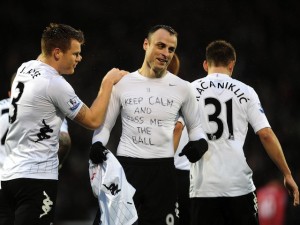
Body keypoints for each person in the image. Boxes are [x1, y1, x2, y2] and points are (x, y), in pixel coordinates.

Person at [0, 23, 127, 225]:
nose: (79, 58)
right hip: (36, 179)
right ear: (57, 53)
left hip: (8, 178)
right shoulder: (55, 84)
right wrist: (107, 83)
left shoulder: (25, 68)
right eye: (75, 53)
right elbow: (93, 120)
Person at [91, 24, 208, 225]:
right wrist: (97, 144)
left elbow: (196, 128)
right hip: (126, 170)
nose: (165, 53)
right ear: (146, 44)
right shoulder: (123, 83)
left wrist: (200, 144)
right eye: (160, 46)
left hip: (163, 174)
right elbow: (106, 126)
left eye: (171, 49)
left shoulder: (183, 88)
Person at [189, 40, 299, 225]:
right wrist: (287, 174)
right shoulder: (246, 91)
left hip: (202, 188)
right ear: (232, 65)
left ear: (206, 64)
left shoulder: (190, 91)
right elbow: (265, 134)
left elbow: (175, 130)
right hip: (238, 186)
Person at [168, 53, 192, 225]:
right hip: (190, 173)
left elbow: (177, 128)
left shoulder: (170, 92)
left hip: (172, 170)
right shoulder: (187, 89)